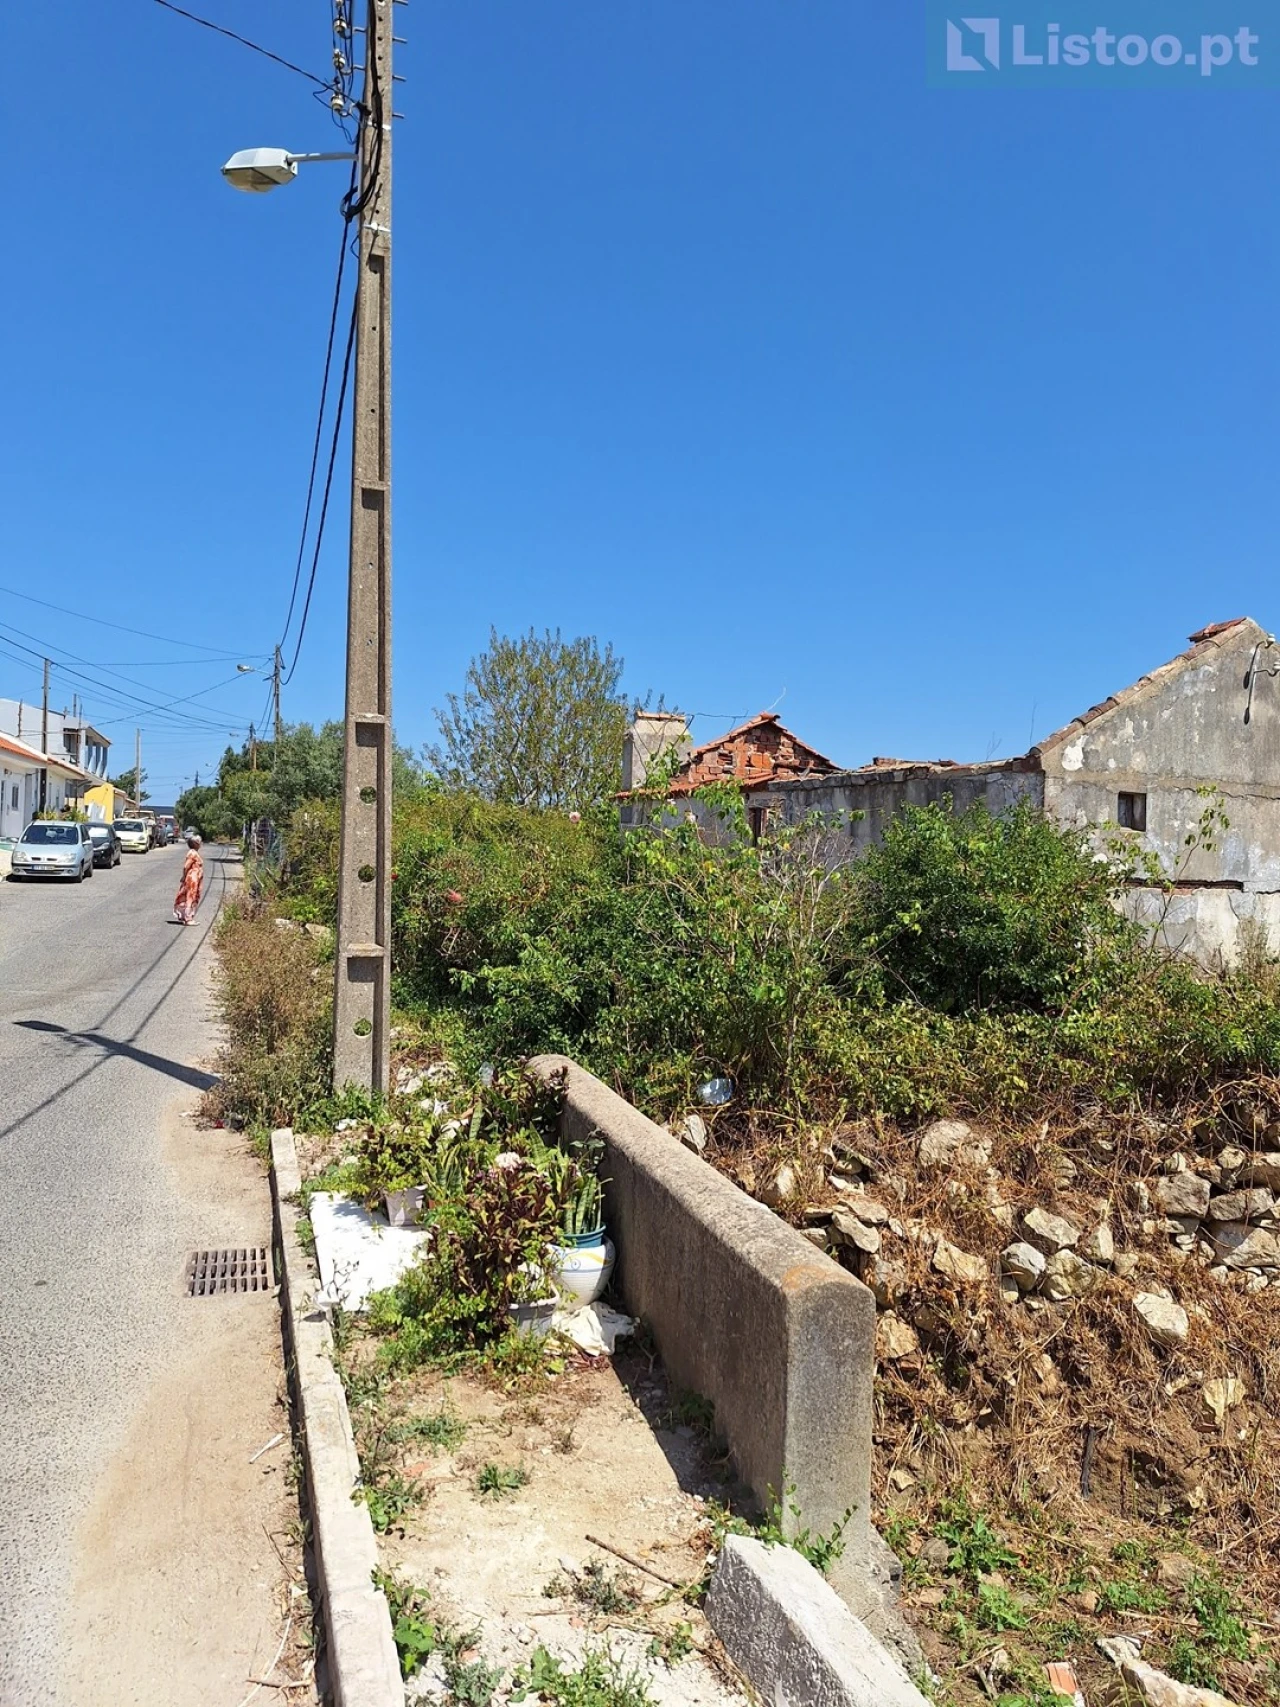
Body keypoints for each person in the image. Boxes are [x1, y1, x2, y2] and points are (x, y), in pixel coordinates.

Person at [173, 833, 204, 925]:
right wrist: (184, 876)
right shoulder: (192, 853)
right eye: (199, 842)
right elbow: (186, 866)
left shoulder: (194, 852)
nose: (200, 844)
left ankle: (185, 916)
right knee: (190, 896)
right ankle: (188, 918)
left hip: (195, 878)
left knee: (191, 896)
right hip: (192, 879)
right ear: (195, 844)